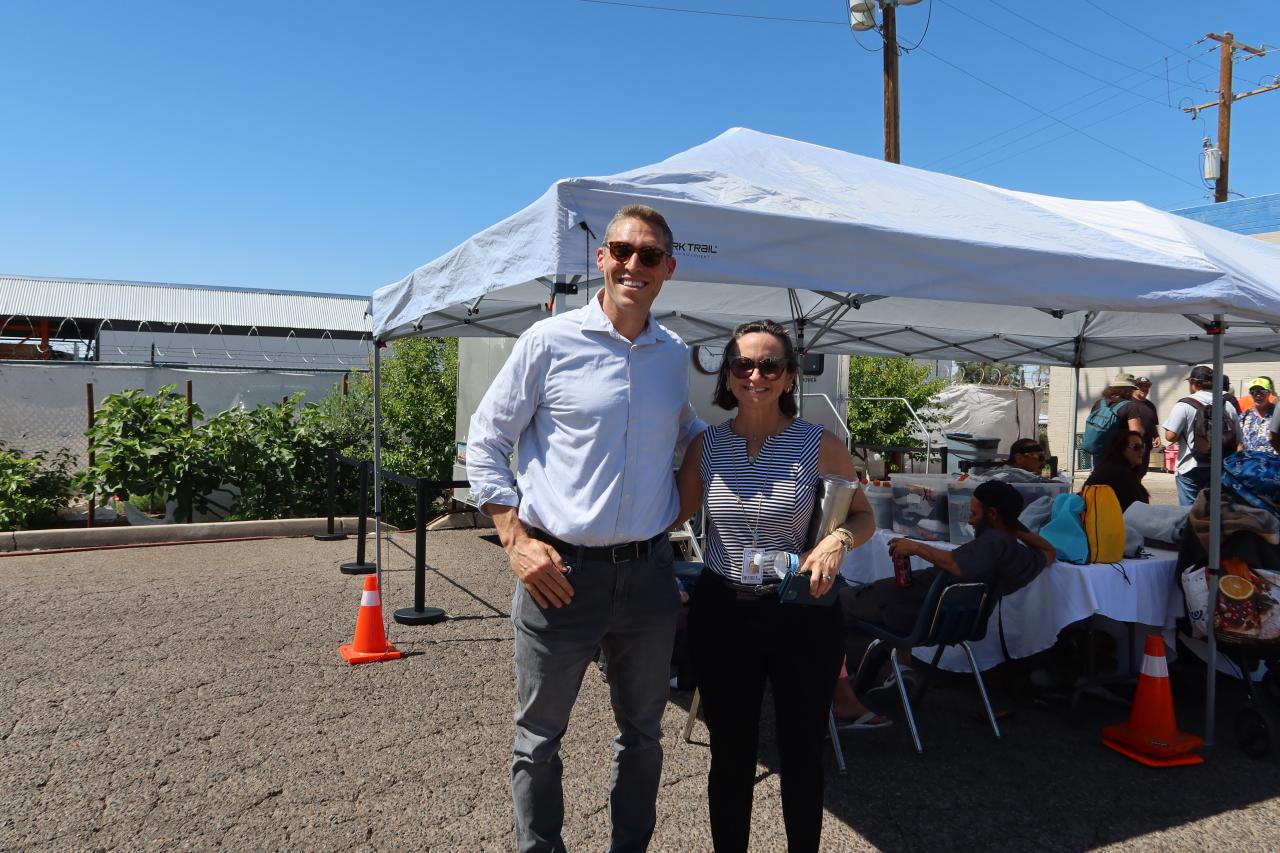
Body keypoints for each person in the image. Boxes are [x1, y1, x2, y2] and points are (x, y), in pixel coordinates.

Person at [466, 204, 706, 853]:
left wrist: (749, 445)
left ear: (668, 269)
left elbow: (683, 429)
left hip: (649, 575)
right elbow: (486, 440)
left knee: (644, 736)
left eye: (648, 255)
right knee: (538, 739)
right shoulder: (549, 341)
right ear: (601, 258)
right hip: (560, 574)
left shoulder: (671, 354)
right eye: (621, 250)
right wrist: (514, 539)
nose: (633, 264)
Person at [674, 319, 876, 853]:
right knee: (731, 753)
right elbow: (669, 514)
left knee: (802, 751)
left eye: (770, 365)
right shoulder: (706, 446)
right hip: (724, 613)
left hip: (802, 613)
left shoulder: (820, 444)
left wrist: (837, 542)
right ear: (728, 375)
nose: (755, 375)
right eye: (743, 364)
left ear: (789, 376)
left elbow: (863, 517)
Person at [839, 481, 1056, 699]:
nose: (969, 521)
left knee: (837, 604)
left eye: (974, 513)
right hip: (948, 623)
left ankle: (843, 688)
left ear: (992, 513)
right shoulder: (1020, 557)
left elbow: (957, 564)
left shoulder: (992, 544)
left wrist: (916, 547)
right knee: (880, 604)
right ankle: (899, 673)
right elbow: (1049, 551)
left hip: (917, 615)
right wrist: (1013, 529)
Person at [1163, 365, 1242, 507]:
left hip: (1190, 466)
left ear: (1194, 383)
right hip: (1219, 465)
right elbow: (1239, 441)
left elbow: (1170, 436)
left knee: (1189, 510)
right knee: (1213, 508)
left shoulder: (1184, 405)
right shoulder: (1227, 405)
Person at [1083, 429, 1150, 511]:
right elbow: (1140, 508)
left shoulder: (1109, 467)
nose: (1142, 451)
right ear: (1121, 449)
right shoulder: (1119, 474)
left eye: (1142, 446)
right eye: (1136, 447)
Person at [1091, 372, 1146, 464]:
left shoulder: (1099, 403)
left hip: (1099, 452)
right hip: (1120, 455)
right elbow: (1136, 432)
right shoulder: (1130, 406)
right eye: (1132, 390)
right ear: (1128, 390)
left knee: (1100, 473)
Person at [1131, 376, 1161, 473]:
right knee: (1129, 473)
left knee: (1142, 472)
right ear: (1134, 388)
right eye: (1140, 386)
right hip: (1131, 448)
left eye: (1147, 386)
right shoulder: (1128, 403)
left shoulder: (1150, 405)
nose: (1144, 388)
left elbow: (1152, 423)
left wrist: (1156, 435)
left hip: (1146, 447)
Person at [1241, 377, 1277, 454]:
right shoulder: (1244, 416)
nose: (1258, 395)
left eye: (1262, 392)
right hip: (1250, 460)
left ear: (1269, 393)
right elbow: (1240, 443)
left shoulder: (1277, 414)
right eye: (1253, 392)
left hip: (1273, 460)